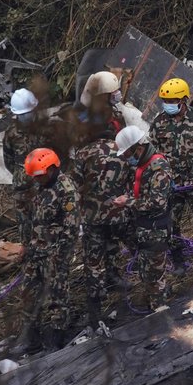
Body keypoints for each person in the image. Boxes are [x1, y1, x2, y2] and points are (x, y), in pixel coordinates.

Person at [148, 78, 193, 274]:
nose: (168, 105)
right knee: (170, 224)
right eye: (166, 101)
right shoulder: (158, 123)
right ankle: (178, 260)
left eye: (172, 101)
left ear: (184, 100)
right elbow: (153, 155)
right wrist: (161, 180)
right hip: (171, 184)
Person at [13, 148, 80, 352]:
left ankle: (55, 337)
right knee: (28, 292)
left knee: (56, 296)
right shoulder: (40, 187)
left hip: (55, 252)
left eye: (40, 176)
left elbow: (72, 228)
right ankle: (30, 339)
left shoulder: (66, 190)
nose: (37, 180)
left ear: (51, 169)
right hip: (36, 250)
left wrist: (58, 256)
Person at [69, 125, 132, 326]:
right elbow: (133, 180)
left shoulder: (83, 154)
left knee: (93, 261)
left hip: (93, 217)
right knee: (116, 244)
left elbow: (74, 187)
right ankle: (116, 277)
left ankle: (95, 309)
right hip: (119, 213)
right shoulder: (122, 149)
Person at [112, 126, 174, 310]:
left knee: (154, 276)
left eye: (128, 153)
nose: (126, 158)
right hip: (145, 228)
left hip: (156, 228)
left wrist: (128, 202)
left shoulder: (158, 166)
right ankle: (158, 299)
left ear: (138, 147)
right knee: (148, 273)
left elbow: (157, 202)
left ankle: (161, 313)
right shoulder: (141, 165)